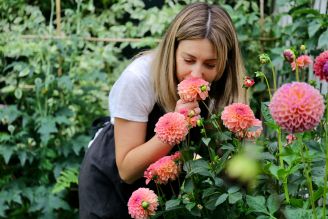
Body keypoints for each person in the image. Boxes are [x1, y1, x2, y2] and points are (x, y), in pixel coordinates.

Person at [78, 2, 246, 219]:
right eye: (188, 60)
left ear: (225, 64)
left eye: (210, 65)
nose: (197, 74)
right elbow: (127, 171)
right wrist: (176, 126)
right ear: (172, 50)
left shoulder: (223, 88)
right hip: (112, 186)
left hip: (166, 191)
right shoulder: (139, 78)